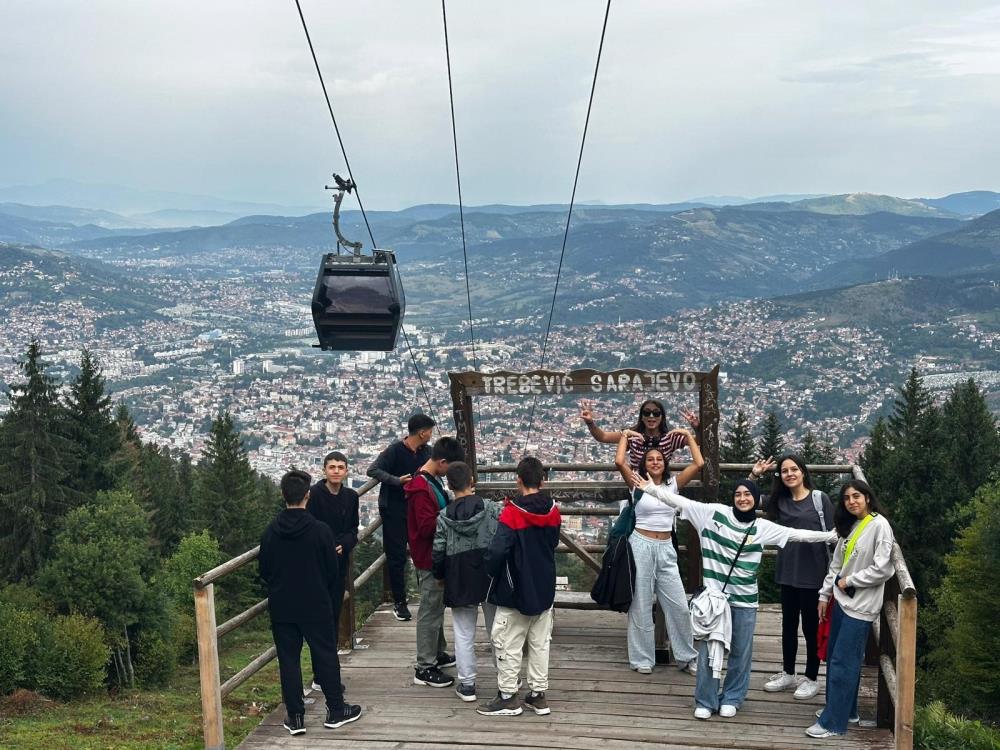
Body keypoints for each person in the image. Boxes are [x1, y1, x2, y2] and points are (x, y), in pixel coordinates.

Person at [634, 475, 837, 720]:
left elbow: (797, 534)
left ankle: (733, 697)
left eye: (748, 494)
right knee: (709, 648)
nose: (742, 498)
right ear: (733, 498)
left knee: (741, 650)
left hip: (745, 600)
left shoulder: (762, 527)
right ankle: (706, 699)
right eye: (738, 494)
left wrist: (831, 536)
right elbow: (680, 501)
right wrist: (651, 489)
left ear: (755, 498)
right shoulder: (713, 514)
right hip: (714, 600)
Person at [258, 470, 362, 736]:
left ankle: (295, 717)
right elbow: (331, 570)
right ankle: (336, 710)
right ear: (307, 496)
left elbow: (265, 570)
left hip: (283, 605)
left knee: (289, 660)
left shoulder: (270, 532)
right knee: (325, 654)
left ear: (283, 495)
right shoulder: (320, 531)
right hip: (316, 602)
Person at [806, 480, 894, 739]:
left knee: (843, 663)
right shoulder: (851, 525)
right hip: (842, 602)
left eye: (856, 496)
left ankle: (833, 723)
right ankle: (847, 710)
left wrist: (850, 581)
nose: (851, 501)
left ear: (868, 497)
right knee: (837, 658)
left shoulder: (879, 525)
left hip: (861, 606)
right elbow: (836, 565)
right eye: (846, 498)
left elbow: (883, 568)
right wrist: (825, 594)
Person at [478, 456, 561, 717]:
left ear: (518, 480)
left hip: (514, 587)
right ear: (542, 481)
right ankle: (538, 694)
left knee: (507, 641)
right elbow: (553, 542)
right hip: (544, 584)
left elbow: (498, 550)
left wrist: (490, 571)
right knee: (540, 642)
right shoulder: (553, 511)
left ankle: (507, 696)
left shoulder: (512, 512)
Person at [614, 428, 701, 674]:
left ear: (665, 463)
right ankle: (642, 659)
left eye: (659, 459)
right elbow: (619, 461)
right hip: (640, 544)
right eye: (650, 459)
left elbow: (699, 463)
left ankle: (686, 656)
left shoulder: (673, 484)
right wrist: (625, 435)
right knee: (640, 604)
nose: (655, 462)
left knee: (679, 605)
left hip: (665, 547)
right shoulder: (637, 482)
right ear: (644, 464)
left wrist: (687, 435)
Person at [751, 453, 835, 701]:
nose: (790, 474)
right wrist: (755, 474)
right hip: (788, 572)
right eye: (785, 471)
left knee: (810, 628)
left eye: (794, 469)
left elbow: (834, 534)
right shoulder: (779, 501)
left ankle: (811, 678)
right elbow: (746, 498)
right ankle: (788, 672)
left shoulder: (819, 499)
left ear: (803, 471)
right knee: (788, 626)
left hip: (814, 574)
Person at [432, 461, 501, 703]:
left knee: (463, 632)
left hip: (459, 575)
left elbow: (438, 551)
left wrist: (440, 576)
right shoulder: (491, 508)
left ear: (449, 486)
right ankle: (506, 677)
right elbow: (504, 538)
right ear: (472, 481)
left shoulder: (444, 516)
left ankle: (468, 683)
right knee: (498, 630)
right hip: (490, 573)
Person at [404, 435, 466, 688]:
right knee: (430, 610)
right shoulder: (421, 489)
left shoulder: (430, 480)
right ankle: (424, 666)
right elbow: (427, 526)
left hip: (434, 554)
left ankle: (437, 651)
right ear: (442, 462)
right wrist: (453, 512)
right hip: (428, 556)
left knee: (436, 606)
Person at [367, 413, 435, 621]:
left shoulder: (427, 452)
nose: (431, 435)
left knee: (423, 551)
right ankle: (400, 601)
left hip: (417, 509)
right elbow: (373, 470)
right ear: (422, 433)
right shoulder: (395, 450)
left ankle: (428, 597)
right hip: (395, 509)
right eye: (430, 431)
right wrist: (396, 481)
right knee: (396, 556)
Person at [306, 451, 359, 690]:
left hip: (339, 564)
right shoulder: (314, 495)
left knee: (334, 616)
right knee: (320, 619)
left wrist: (344, 544)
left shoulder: (351, 497)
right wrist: (327, 545)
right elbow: (309, 526)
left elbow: (353, 529)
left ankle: (327, 672)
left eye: (340, 467)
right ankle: (321, 674)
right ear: (324, 470)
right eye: (332, 467)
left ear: (346, 471)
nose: (336, 471)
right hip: (317, 564)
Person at [580, 398, 694, 471]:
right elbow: (603, 437)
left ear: (662, 417)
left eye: (656, 413)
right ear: (641, 417)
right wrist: (590, 422)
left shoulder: (670, 437)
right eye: (647, 413)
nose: (651, 416)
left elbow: (696, 441)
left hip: (662, 487)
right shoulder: (631, 435)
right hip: (638, 486)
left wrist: (696, 427)